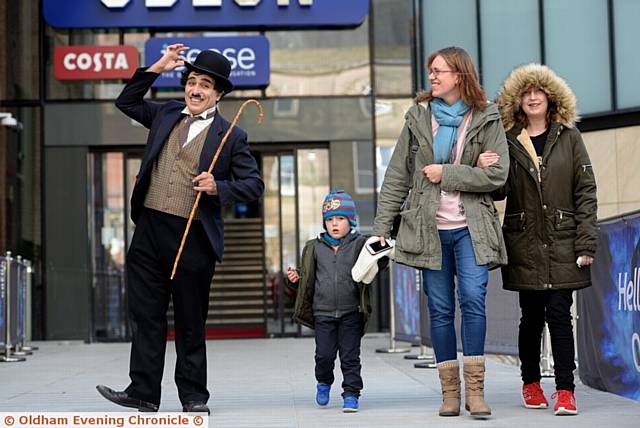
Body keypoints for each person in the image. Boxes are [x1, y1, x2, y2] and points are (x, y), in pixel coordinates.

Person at [96, 44, 264, 414]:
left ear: (218, 94)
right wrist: (156, 67)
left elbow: (253, 186)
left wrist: (219, 187)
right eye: (191, 81)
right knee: (145, 314)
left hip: (192, 236)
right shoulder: (165, 113)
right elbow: (126, 101)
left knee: (190, 320)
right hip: (149, 228)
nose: (196, 89)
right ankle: (143, 391)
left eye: (205, 84)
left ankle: (193, 396)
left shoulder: (230, 135)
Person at [372, 46, 509, 418]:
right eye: (431, 71)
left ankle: (475, 392)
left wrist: (446, 172)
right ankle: (450, 394)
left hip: (471, 228)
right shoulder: (418, 117)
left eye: (439, 71)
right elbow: (398, 175)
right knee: (441, 309)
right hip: (428, 229)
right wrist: (382, 225)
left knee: (473, 299)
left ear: (460, 76)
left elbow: (498, 176)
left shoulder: (487, 117)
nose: (432, 77)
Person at [480, 63, 597, 415]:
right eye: (526, 93)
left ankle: (565, 391)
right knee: (530, 318)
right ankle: (530, 384)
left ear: (550, 98)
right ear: (518, 100)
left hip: (563, 241)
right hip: (524, 242)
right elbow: (498, 192)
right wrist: (487, 166)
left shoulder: (570, 137)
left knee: (560, 315)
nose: (532, 97)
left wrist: (586, 243)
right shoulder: (507, 139)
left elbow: (586, 192)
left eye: (538, 92)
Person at [287, 190, 376, 413]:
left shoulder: (359, 244)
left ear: (351, 220)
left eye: (340, 219)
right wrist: (296, 279)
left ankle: (351, 394)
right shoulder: (313, 247)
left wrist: (381, 251)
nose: (334, 224)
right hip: (323, 312)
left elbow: (375, 265)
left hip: (351, 311)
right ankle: (324, 382)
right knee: (324, 355)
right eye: (329, 220)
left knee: (350, 357)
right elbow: (307, 277)